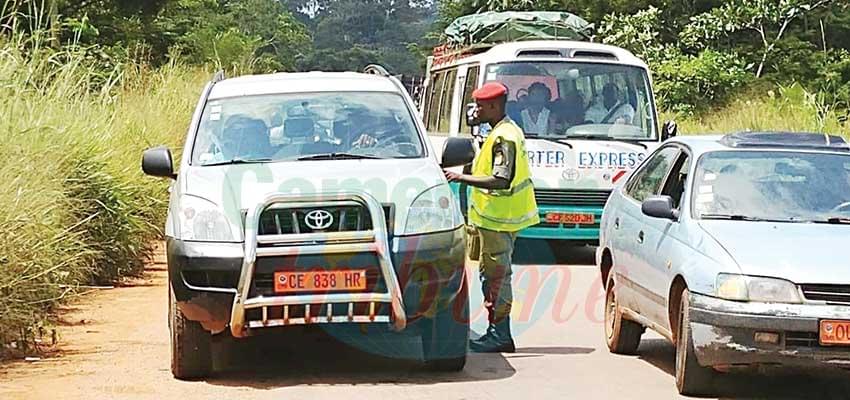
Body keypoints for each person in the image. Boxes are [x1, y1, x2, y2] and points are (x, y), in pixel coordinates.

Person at [444, 82, 540, 353]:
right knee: (491, 275)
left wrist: (461, 177)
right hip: (494, 219)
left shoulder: (504, 137)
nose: (477, 110)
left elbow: (501, 179)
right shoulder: (499, 132)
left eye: (482, 106)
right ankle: (496, 331)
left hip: (500, 219)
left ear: (495, 106)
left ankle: (500, 335)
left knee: (497, 277)